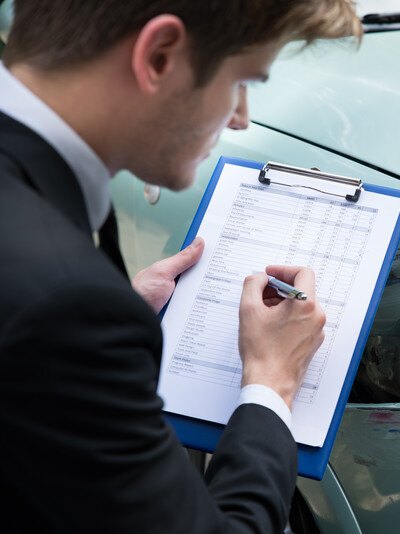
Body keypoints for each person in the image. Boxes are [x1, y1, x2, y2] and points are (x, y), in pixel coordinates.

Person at [0, 1, 361, 532]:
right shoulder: (64, 304)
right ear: (160, 56)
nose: (241, 116)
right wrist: (271, 385)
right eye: (243, 82)